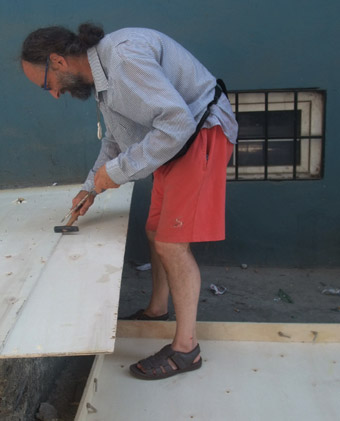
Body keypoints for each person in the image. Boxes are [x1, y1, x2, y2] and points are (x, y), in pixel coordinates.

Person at [21, 23, 238, 380]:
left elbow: (176, 123)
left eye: (47, 85)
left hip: (201, 134)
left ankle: (187, 349)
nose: (53, 94)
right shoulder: (102, 80)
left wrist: (117, 173)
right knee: (155, 232)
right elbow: (118, 139)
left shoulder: (122, 60)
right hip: (176, 143)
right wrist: (92, 186)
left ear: (58, 61)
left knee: (171, 245)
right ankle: (157, 310)